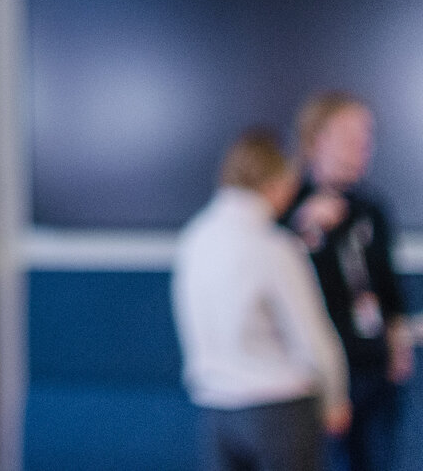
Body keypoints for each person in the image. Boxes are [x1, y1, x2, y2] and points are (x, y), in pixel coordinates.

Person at [174, 129, 350, 471]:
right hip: (280, 411)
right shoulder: (273, 247)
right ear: (273, 183)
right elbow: (313, 335)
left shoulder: (194, 239)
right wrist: (336, 398)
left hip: (216, 411)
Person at [287, 93, 412, 471]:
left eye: (366, 136)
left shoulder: (372, 208)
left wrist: (398, 346)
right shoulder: (287, 207)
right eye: (349, 136)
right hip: (314, 376)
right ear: (315, 141)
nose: (362, 146)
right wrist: (301, 229)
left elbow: (389, 287)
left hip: (373, 368)